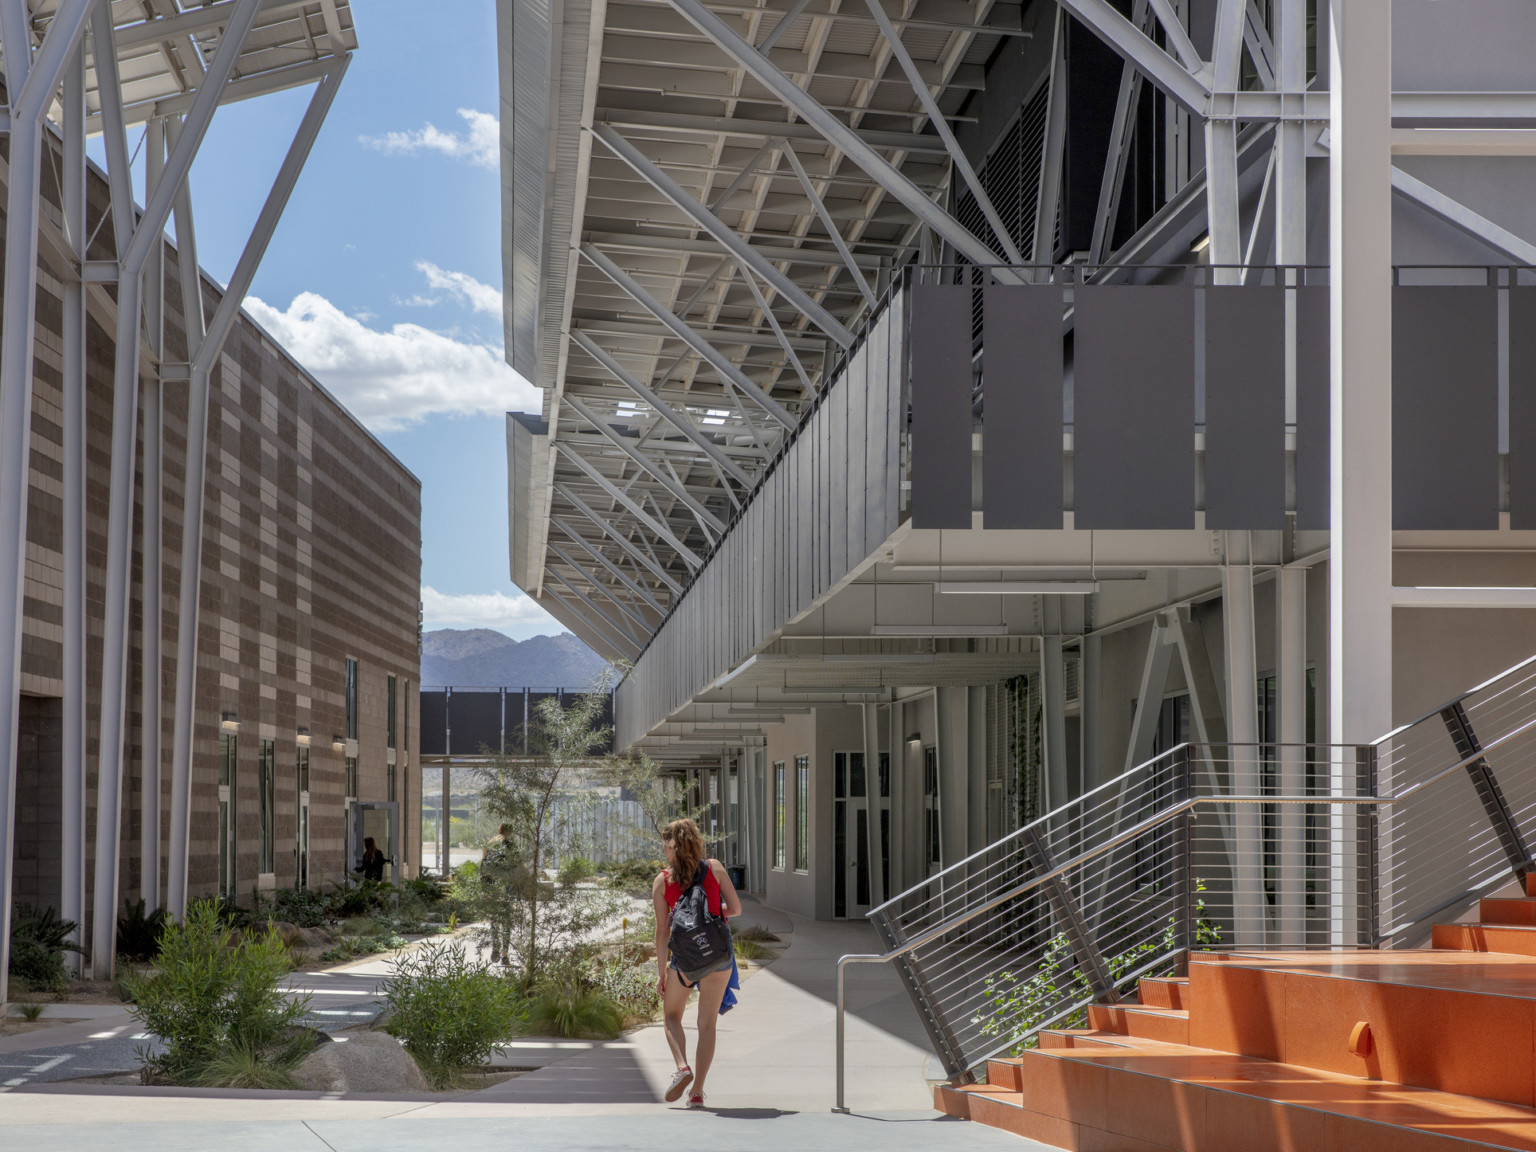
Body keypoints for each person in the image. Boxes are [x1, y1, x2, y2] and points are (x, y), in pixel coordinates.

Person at [653, 818, 742, 1110]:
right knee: (707, 1025)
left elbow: (663, 931)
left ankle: (682, 1067)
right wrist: (712, 912)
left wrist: (660, 973)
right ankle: (698, 1093)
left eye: (665, 845)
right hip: (718, 956)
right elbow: (736, 909)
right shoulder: (713, 867)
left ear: (671, 847)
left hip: (685, 961)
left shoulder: (662, 881)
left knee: (671, 1016)